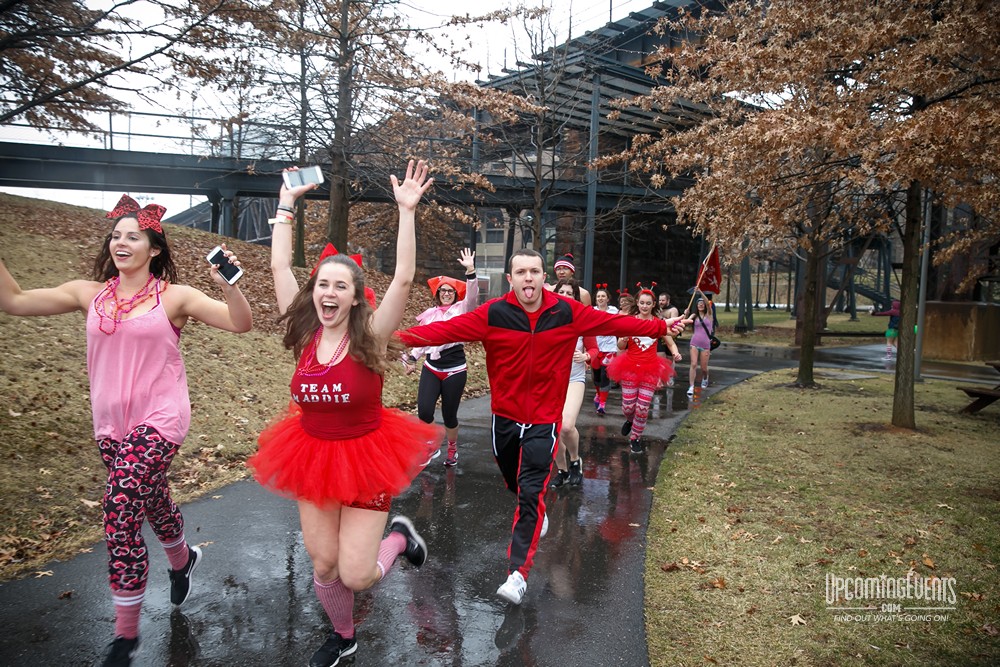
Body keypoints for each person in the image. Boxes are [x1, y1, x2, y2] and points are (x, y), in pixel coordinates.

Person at [0, 195, 253, 666]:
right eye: (116, 235)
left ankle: (125, 637)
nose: (121, 242)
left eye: (132, 236)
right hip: (110, 426)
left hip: (160, 419)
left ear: (154, 247)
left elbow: (240, 324)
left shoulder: (174, 297)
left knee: (120, 512)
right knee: (150, 498)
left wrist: (229, 286)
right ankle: (184, 560)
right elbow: (13, 301)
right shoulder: (88, 294)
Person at [398, 248, 690, 605]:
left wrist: (661, 326)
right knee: (513, 481)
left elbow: (614, 323)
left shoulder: (566, 311)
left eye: (534, 271)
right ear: (511, 279)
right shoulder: (494, 313)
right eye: (520, 272)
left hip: (544, 419)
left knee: (530, 491)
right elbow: (442, 330)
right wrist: (391, 337)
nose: (528, 278)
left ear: (543, 276)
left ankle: (518, 573)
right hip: (504, 417)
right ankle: (533, 508)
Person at [249, 161, 440, 667]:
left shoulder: (369, 336)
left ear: (356, 298)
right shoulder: (306, 335)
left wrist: (406, 212)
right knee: (325, 563)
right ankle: (343, 634)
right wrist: (286, 205)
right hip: (311, 453)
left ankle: (398, 539)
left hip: (366, 455)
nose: (327, 293)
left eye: (339, 286)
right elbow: (277, 270)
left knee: (357, 575)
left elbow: (403, 277)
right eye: (322, 285)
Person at [402, 248, 479, 466]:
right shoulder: (430, 314)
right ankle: (429, 446)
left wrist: (471, 271)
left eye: (450, 291)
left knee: (449, 416)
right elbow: (421, 339)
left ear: (455, 294)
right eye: (443, 291)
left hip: (454, 368)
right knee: (425, 411)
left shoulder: (462, 310)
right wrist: (412, 359)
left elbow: (473, 297)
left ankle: (452, 448)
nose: (446, 293)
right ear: (437, 294)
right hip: (431, 366)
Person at [607, 284, 679, 453]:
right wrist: (623, 340)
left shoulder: (658, 323)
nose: (645, 306)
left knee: (642, 408)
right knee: (628, 407)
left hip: (650, 369)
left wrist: (675, 353)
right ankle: (629, 420)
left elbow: (670, 341)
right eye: (642, 303)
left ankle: (636, 438)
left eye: (648, 303)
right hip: (630, 366)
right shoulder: (630, 321)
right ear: (637, 303)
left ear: (653, 305)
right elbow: (620, 345)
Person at [550, 279, 598, 488]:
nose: (565, 295)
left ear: (575, 297)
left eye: (570, 293)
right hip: (550, 381)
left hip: (574, 379)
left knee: (567, 426)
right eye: (562, 291)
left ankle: (575, 460)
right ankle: (561, 470)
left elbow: (596, 351)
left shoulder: (581, 320)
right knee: (551, 430)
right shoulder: (546, 320)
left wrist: (586, 355)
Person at [590, 284, 619, 415]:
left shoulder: (614, 311)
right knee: (596, 376)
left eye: (603, 296)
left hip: (609, 349)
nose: (601, 298)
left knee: (605, 376)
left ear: (608, 299)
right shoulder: (592, 311)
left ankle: (602, 404)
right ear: (596, 299)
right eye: (598, 296)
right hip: (595, 348)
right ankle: (598, 394)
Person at [686, 292, 715, 397]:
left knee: (703, 368)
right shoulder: (695, 315)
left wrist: (700, 292)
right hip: (694, 342)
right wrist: (686, 313)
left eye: (702, 303)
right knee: (693, 364)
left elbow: (708, 303)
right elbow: (686, 321)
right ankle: (691, 386)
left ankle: (705, 377)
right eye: (699, 303)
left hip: (705, 344)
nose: (701, 305)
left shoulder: (709, 315)